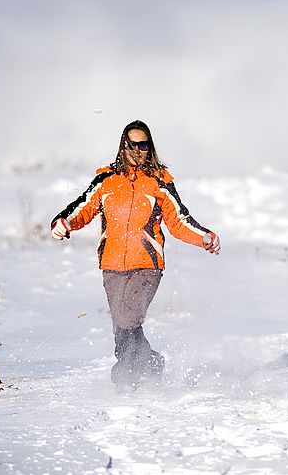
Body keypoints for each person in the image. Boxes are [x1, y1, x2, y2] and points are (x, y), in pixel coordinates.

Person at [51, 120, 220, 391]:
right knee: (122, 326)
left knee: (128, 318)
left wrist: (204, 237)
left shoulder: (159, 181)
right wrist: (64, 222)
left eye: (144, 145)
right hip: (111, 265)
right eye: (134, 145)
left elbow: (178, 221)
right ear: (123, 145)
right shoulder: (106, 180)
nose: (139, 150)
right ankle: (151, 362)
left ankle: (124, 377)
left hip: (147, 266)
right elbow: (83, 207)